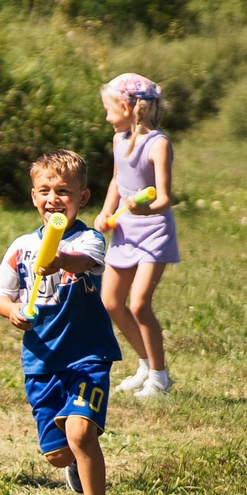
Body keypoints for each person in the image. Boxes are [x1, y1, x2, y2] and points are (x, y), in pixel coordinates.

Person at [0, 150, 122, 495]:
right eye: (45, 191)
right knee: (58, 453)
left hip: (87, 356)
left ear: (83, 198)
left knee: (80, 433)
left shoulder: (88, 240)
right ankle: (74, 464)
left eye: (64, 191)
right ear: (34, 197)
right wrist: (12, 310)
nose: (53, 199)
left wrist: (59, 257)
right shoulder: (21, 246)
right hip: (41, 360)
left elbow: (83, 262)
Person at [98, 73, 179, 400]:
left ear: (126, 106)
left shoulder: (158, 144)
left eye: (109, 110)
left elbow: (165, 198)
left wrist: (145, 210)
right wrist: (106, 212)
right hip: (124, 231)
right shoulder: (118, 139)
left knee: (140, 304)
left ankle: (160, 379)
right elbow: (117, 180)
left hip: (153, 232)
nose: (107, 118)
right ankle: (145, 365)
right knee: (111, 301)